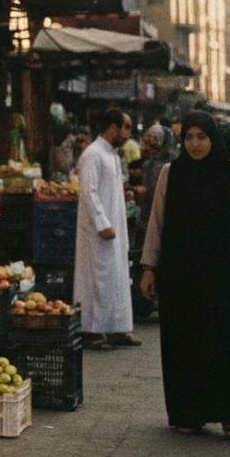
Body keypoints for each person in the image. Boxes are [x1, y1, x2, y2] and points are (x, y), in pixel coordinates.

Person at [139, 111, 230, 439]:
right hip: (180, 276)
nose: (196, 144)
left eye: (202, 137)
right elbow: (157, 223)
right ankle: (189, 412)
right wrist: (149, 269)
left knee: (227, 342)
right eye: (190, 138)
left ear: (213, 139)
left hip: (222, 275)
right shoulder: (172, 173)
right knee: (185, 343)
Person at [75, 108, 136, 350]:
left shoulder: (111, 154)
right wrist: (102, 224)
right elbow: (88, 191)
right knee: (97, 279)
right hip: (99, 231)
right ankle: (93, 331)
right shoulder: (93, 154)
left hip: (115, 226)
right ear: (114, 127)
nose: (129, 132)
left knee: (117, 279)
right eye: (127, 127)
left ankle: (116, 329)